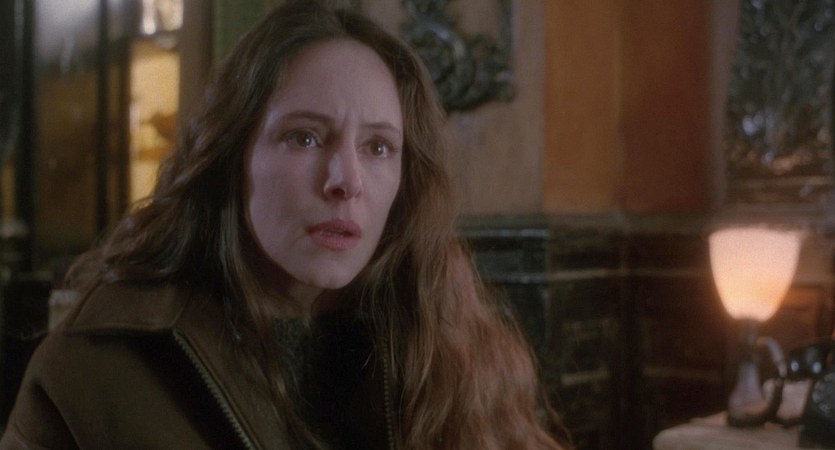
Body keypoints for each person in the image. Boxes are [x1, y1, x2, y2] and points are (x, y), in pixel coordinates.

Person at [1, 1, 568, 448]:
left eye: (377, 147)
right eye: (305, 137)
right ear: (231, 157)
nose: (346, 181)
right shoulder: (97, 369)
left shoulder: (447, 345)